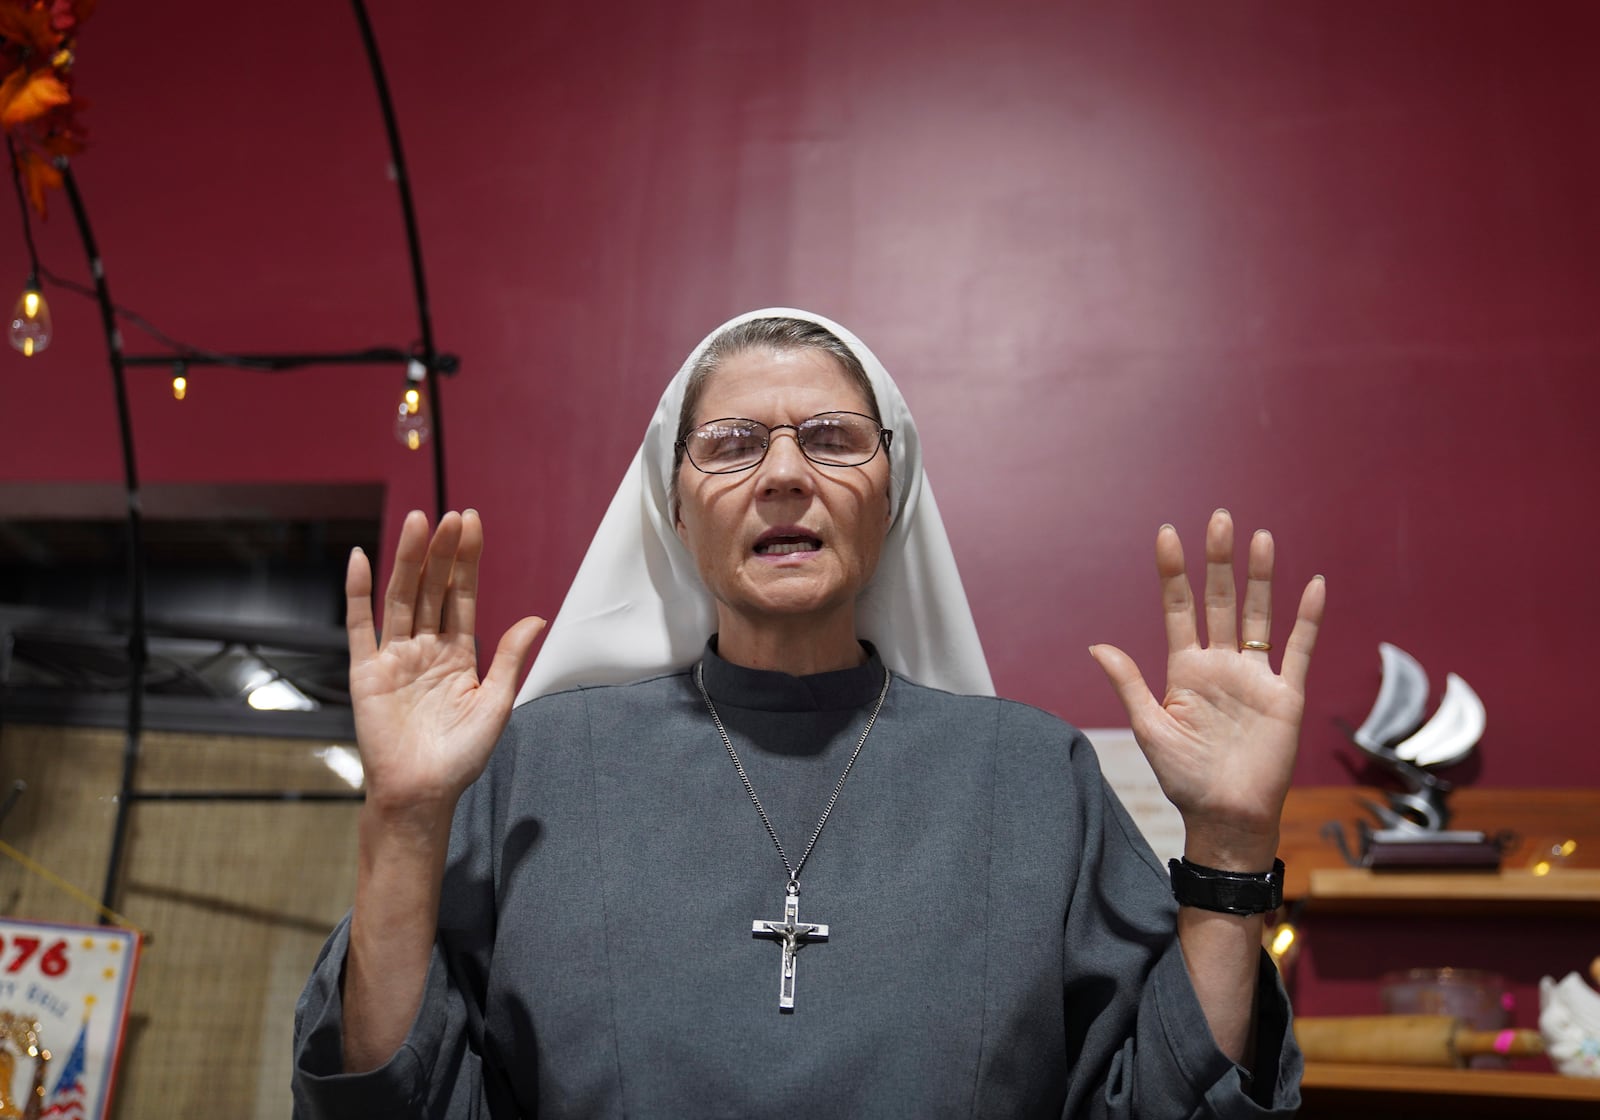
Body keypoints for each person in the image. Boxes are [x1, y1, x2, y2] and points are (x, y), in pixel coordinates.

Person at [292, 309, 1324, 1118]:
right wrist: (406, 819)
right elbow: (393, 1100)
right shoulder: (534, 769)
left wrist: (1230, 845)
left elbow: (1171, 1105)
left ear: (893, 490)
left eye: (831, 438)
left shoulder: (1029, 775)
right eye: (732, 443)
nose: (784, 474)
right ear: (676, 506)